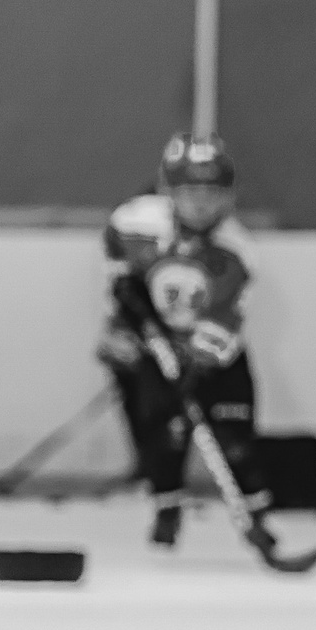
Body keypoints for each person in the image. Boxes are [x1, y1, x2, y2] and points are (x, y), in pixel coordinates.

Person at [97, 134, 265, 549]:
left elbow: (226, 319)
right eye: (191, 192)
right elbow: (118, 258)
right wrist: (124, 299)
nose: (201, 203)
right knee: (163, 430)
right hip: (154, 345)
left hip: (212, 353)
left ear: (229, 196)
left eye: (212, 192)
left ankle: (257, 515)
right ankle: (166, 508)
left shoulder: (237, 250)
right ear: (168, 191)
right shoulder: (136, 221)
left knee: (234, 438)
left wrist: (197, 362)